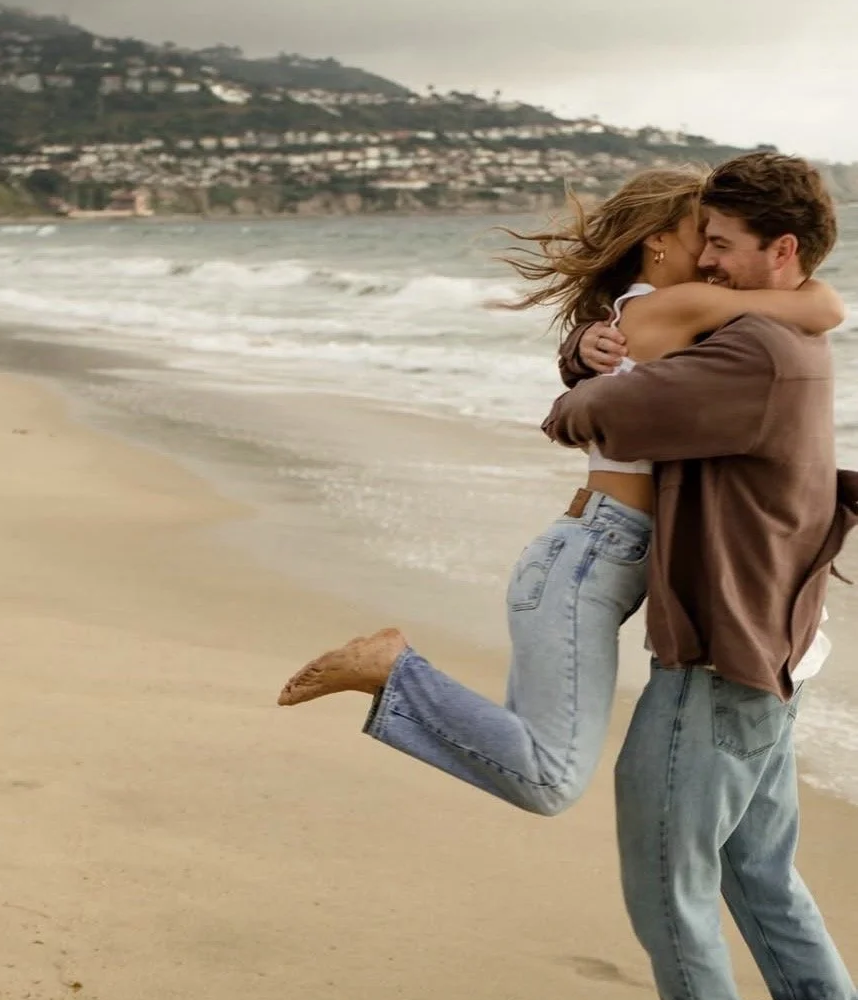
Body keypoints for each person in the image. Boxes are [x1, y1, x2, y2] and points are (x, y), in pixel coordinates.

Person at [277, 167, 844, 822]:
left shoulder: (648, 312)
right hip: (592, 555)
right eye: (704, 238)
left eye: (723, 240)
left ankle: (396, 678)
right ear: (659, 243)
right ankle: (394, 670)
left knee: (537, 752)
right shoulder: (675, 307)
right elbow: (822, 306)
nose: (714, 257)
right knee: (550, 779)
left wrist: (580, 348)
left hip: (597, 554)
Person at [536, 152, 858, 1000]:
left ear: (782, 252)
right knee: (760, 871)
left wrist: (596, 369)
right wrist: (610, 349)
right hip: (773, 645)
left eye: (721, 246)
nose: (705, 263)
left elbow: (588, 417)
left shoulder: (750, 351)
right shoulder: (772, 336)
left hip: (721, 655)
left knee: (663, 869)